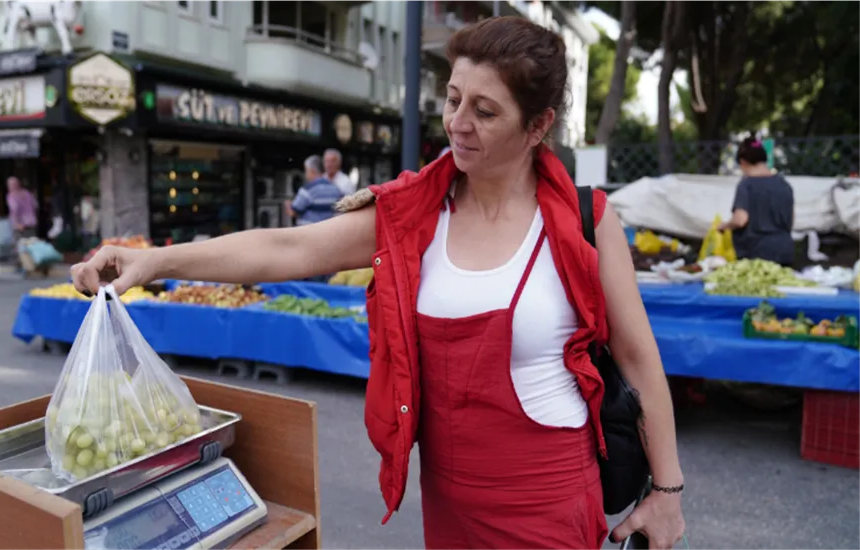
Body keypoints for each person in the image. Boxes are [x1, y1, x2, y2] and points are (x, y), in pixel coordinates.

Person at [71, 17, 685, 550]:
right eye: (452, 99)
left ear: (537, 126)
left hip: (547, 498)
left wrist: (667, 490)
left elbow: (636, 357)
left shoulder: (586, 221)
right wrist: (153, 262)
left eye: (485, 110)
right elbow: (288, 246)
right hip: (447, 498)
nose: (458, 123)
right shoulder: (413, 212)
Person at [719, 137, 795, 266]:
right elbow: (791, 220)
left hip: (756, 253)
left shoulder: (747, 185)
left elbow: (740, 220)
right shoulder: (784, 185)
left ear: (743, 162)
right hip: (784, 250)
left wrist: (724, 226)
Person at [284, 155, 343, 227]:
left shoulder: (308, 189)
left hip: (309, 233)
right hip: (327, 231)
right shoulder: (335, 188)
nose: (305, 174)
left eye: (306, 170)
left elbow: (293, 212)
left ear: (312, 170)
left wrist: (287, 204)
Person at [7, 176, 38, 272]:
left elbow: (14, 209)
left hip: (20, 225)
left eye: (10, 185)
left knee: (19, 245)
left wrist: (17, 223)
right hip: (31, 222)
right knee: (31, 244)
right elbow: (35, 205)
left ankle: (23, 265)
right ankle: (33, 263)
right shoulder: (27, 193)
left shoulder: (12, 195)